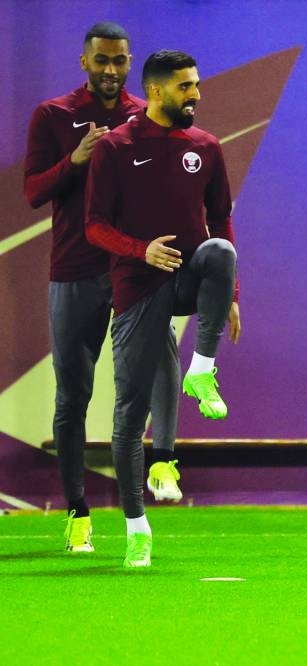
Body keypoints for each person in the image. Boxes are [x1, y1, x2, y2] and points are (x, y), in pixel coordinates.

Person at [23, 22, 184, 556]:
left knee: (161, 357)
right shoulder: (53, 115)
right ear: (84, 62)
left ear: (130, 62)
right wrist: (75, 160)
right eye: (101, 61)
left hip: (134, 268)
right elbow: (32, 192)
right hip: (75, 268)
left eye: (119, 61)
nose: (111, 70)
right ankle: (77, 513)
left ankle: (163, 459)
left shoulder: (146, 115)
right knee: (73, 395)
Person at [85, 49, 241, 568]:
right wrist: (141, 250)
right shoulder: (116, 147)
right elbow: (95, 225)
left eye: (196, 84)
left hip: (188, 278)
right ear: (155, 91)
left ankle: (203, 369)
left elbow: (221, 220)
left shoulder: (206, 146)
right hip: (138, 286)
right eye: (185, 86)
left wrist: (232, 296)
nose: (195, 94)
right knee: (130, 414)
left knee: (220, 252)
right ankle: (136, 527)